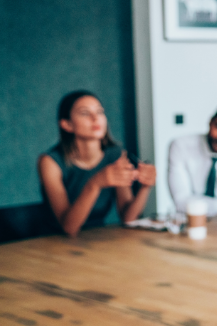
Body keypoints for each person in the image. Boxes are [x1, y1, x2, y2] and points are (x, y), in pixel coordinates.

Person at [38, 90, 156, 237]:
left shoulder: (116, 155)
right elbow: (69, 228)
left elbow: (128, 219)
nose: (95, 118)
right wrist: (95, 183)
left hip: (97, 238)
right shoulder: (49, 162)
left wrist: (146, 187)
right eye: (84, 113)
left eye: (100, 112)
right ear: (67, 124)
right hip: (52, 242)